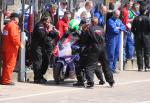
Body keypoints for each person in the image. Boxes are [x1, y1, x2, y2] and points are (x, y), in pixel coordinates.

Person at [74, 17, 115, 88]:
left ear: (91, 22)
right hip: (103, 48)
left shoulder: (89, 29)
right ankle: (111, 81)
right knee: (105, 65)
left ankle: (90, 82)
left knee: (90, 66)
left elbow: (85, 40)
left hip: (94, 48)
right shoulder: (101, 29)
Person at [31, 15, 53, 84]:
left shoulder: (44, 26)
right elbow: (41, 35)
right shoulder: (39, 25)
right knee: (38, 62)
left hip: (42, 46)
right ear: (44, 20)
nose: (49, 23)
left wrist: (52, 31)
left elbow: (51, 35)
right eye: (48, 21)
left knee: (45, 61)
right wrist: (48, 30)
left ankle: (41, 76)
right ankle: (37, 78)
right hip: (37, 46)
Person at [1, 13, 20, 85]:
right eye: (18, 18)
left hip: (6, 46)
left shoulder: (7, 25)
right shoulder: (13, 26)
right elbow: (14, 37)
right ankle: (6, 80)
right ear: (15, 18)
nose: (18, 20)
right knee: (10, 64)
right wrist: (19, 44)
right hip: (12, 48)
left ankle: (4, 79)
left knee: (5, 64)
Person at [131, 4, 150, 71]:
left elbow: (132, 29)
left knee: (139, 52)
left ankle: (140, 67)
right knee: (146, 52)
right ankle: (147, 67)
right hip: (146, 37)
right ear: (145, 11)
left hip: (138, 37)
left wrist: (136, 34)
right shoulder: (147, 18)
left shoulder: (136, 18)